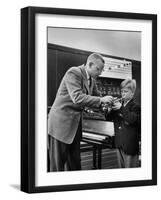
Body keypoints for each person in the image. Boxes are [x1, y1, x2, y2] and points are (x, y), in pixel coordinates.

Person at [48, 53, 113, 171]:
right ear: (90, 64)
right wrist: (101, 100)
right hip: (61, 125)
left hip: (74, 126)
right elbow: (77, 97)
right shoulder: (74, 72)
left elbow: (97, 98)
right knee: (57, 166)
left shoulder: (92, 81)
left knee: (75, 164)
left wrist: (107, 104)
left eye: (102, 70)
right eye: (98, 69)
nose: (100, 73)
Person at [105, 79, 141, 168]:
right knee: (121, 169)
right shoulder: (119, 105)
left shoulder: (136, 107)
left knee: (130, 171)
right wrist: (109, 109)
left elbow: (131, 119)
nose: (123, 93)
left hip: (129, 145)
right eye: (122, 91)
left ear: (132, 93)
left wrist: (121, 108)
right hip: (119, 143)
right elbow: (108, 118)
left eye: (125, 91)